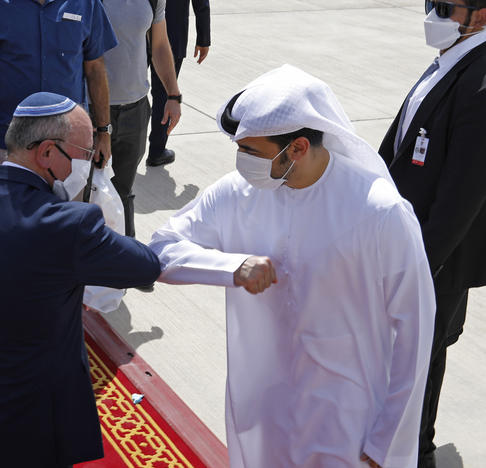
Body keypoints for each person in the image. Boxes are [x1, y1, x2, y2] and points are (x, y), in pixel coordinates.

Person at [149, 65, 436, 468]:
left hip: (346, 421)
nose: (241, 162)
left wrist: (387, 441)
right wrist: (231, 267)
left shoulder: (379, 212)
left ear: (298, 147)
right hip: (266, 412)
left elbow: (416, 329)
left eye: (251, 151)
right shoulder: (240, 192)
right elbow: (161, 250)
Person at [0, 92, 161, 468]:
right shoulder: (71, 225)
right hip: (36, 428)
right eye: (84, 152)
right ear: (47, 153)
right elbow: (145, 265)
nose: (89, 162)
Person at [377, 2, 486, 467]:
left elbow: (463, 195)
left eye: (444, 6)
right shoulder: (452, 57)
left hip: (432, 258)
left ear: (480, 15)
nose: (432, 14)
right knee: (405, 362)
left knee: (416, 367)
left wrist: (418, 266)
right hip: (406, 246)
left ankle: (415, 455)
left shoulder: (482, 83)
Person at [0, 0, 117, 174]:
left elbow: (95, 70)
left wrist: (104, 132)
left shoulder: (86, 4)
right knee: (12, 202)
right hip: (10, 146)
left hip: (71, 146)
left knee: (69, 202)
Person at [100, 0, 182, 239]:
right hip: (92, 111)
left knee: (123, 190)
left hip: (135, 110)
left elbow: (159, 46)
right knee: (86, 190)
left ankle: (126, 257)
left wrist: (173, 94)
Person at [147, 0, 210, 167]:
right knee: (164, 94)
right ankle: (157, 150)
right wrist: (204, 37)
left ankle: (117, 147)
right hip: (172, 30)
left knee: (129, 89)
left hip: (136, 26)